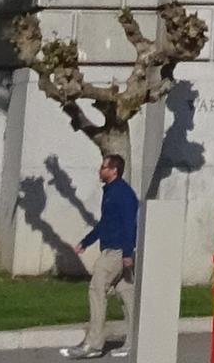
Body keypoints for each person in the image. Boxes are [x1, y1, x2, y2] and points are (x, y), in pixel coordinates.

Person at [72, 153, 139, 360]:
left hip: (116, 251)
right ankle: (134, 342)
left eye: (103, 167)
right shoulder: (110, 192)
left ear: (114, 170)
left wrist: (127, 253)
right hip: (112, 249)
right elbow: (105, 224)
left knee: (96, 288)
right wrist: (86, 241)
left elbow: (130, 224)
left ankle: (94, 343)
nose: (100, 171)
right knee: (127, 294)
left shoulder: (122, 193)